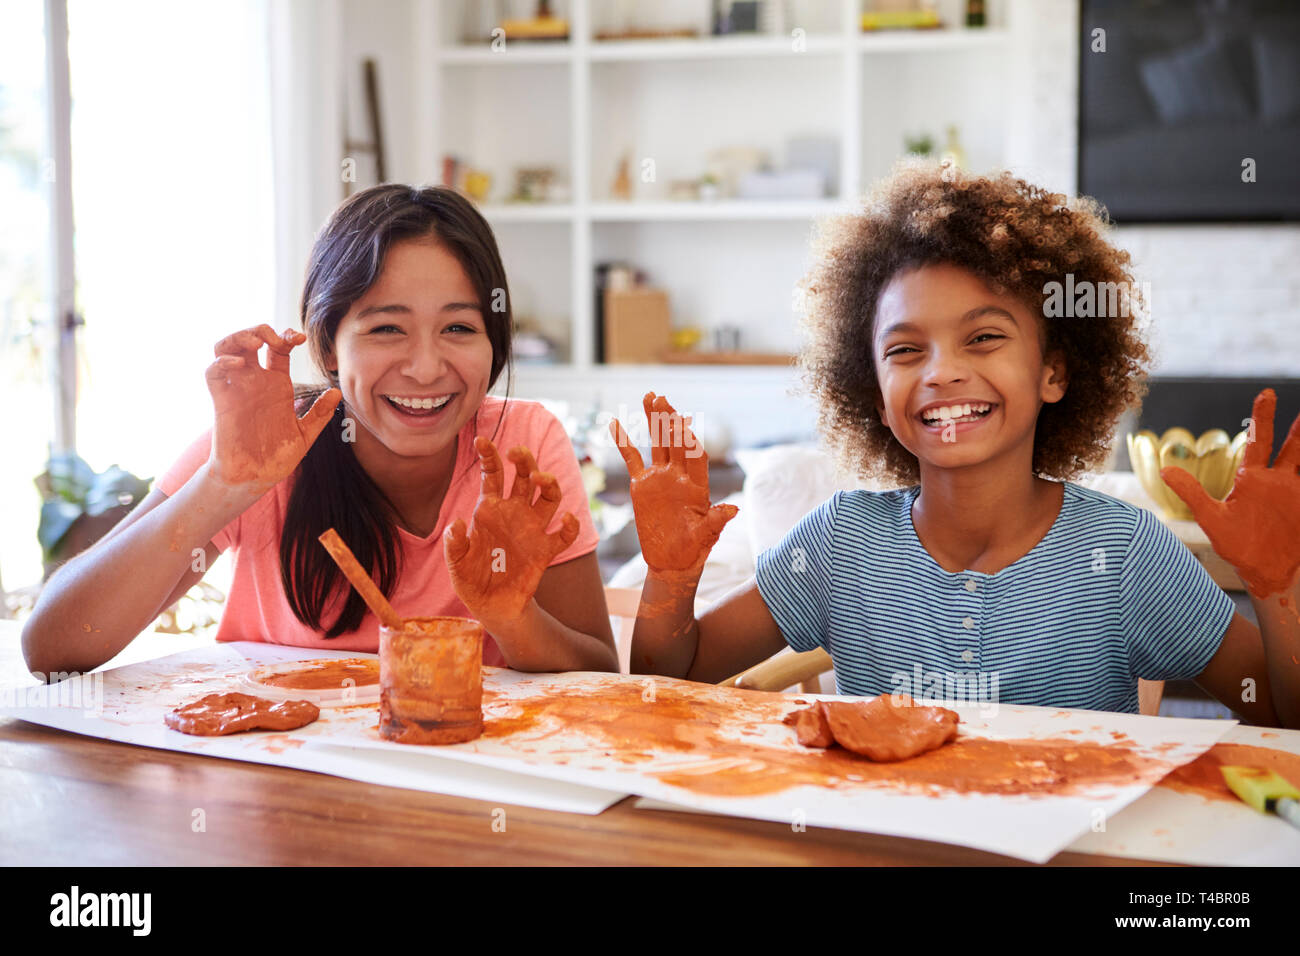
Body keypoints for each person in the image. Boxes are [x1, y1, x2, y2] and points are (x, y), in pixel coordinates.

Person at [613, 161, 1300, 728]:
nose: (940, 370)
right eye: (906, 349)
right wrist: (671, 577)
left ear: (1054, 372)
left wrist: (1276, 588)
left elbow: (1278, 716)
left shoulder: (1123, 554)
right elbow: (665, 679)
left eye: (984, 337)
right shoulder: (839, 543)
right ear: (875, 394)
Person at [24, 184, 617, 676]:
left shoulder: (523, 445)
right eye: (387, 329)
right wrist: (223, 487)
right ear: (328, 346)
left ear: (495, 343)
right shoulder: (264, 442)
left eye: (459, 329)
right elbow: (53, 650)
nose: (426, 366)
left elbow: (599, 676)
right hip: (278, 789)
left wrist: (512, 616)